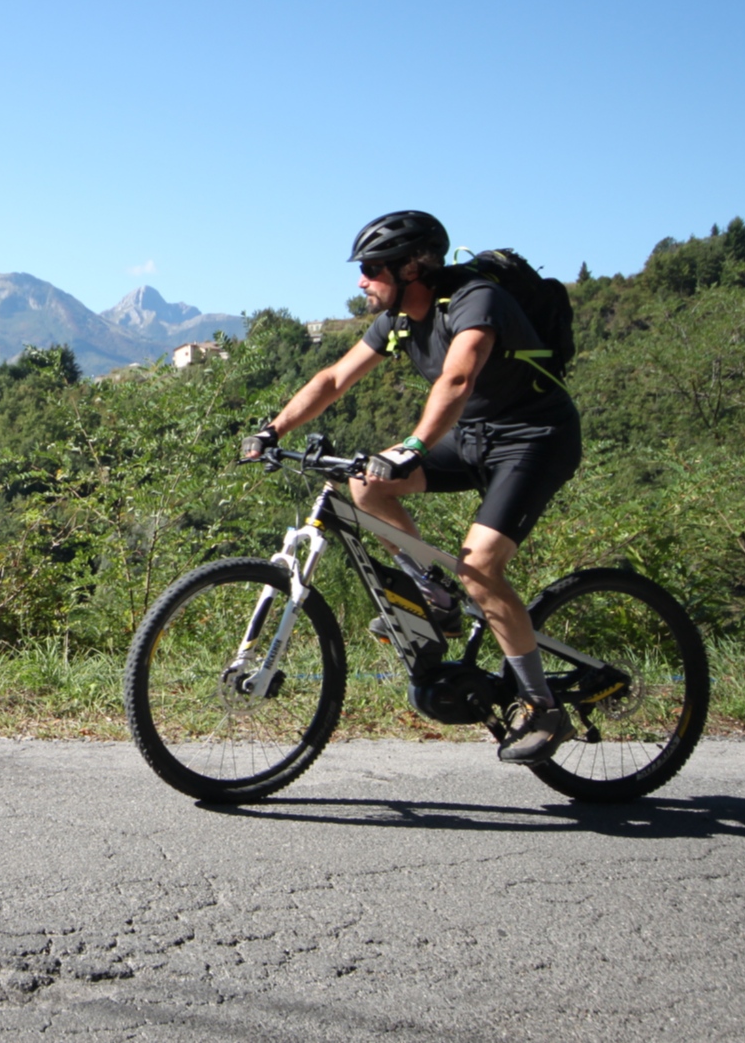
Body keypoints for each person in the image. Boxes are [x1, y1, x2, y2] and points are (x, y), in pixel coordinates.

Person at [240, 210, 582, 763]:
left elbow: (459, 377)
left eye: (372, 268)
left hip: (534, 438)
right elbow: (333, 379)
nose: (361, 280)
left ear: (413, 268)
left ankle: (542, 706)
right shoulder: (398, 320)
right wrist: (273, 428)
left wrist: (414, 446)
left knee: (480, 568)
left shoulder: (474, 300)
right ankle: (433, 597)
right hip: (472, 436)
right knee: (366, 487)